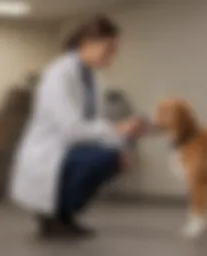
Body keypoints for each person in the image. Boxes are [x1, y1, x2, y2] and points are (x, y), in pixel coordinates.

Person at [10, 15, 146, 238]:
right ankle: (51, 217)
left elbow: (94, 126)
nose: (113, 55)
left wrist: (123, 144)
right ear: (88, 42)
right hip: (49, 154)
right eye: (109, 48)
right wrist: (118, 130)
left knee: (113, 157)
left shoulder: (93, 79)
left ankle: (64, 215)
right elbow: (72, 129)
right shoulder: (60, 73)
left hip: (67, 149)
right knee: (104, 159)